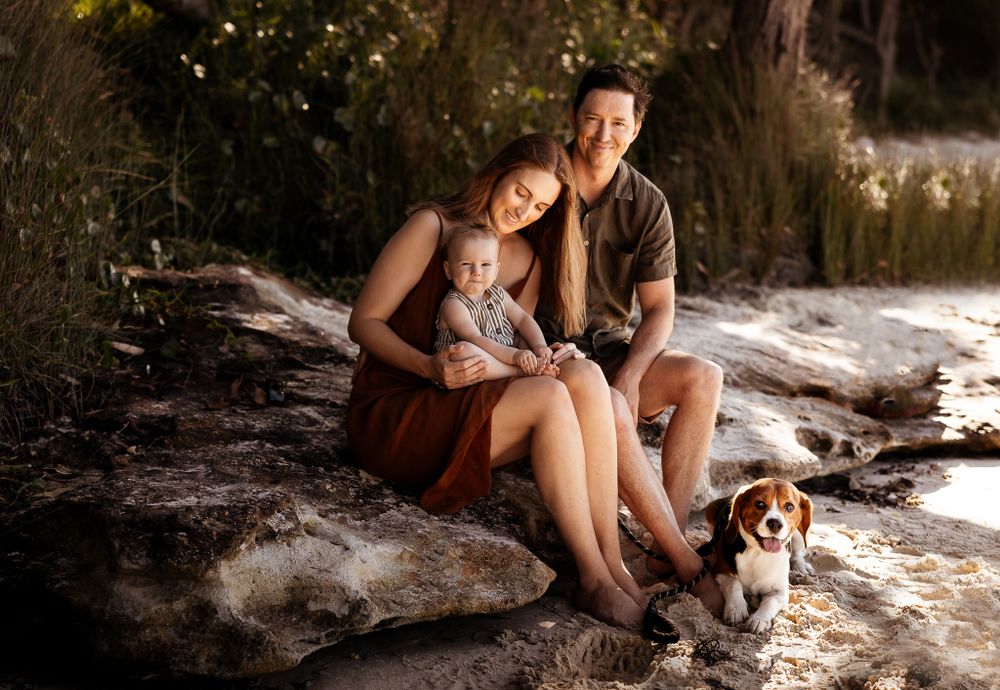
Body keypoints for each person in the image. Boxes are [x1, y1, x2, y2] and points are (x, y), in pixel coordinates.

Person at [346, 133, 648, 630]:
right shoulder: (432, 227)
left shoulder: (527, 258)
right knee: (551, 396)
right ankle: (593, 579)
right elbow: (363, 322)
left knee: (585, 374)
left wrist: (550, 356)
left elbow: (504, 353)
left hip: (467, 395)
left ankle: (615, 567)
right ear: (497, 176)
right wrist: (427, 366)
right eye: (520, 193)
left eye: (541, 206)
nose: (525, 211)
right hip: (398, 409)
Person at [537, 64, 726, 609]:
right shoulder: (544, 178)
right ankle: (687, 560)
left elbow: (660, 310)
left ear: (636, 128)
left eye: (618, 122)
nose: (603, 134)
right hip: (550, 350)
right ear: (572, 117)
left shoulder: (648, 204)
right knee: (614, 408)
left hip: (612, 348)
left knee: (703, 377)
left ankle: (660, 551)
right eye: (592, 119)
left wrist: (634, 374)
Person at [434, 224, 554, 379]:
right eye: (466, 264)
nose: (476, 272)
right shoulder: (453, 305)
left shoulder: (497, 293)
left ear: (496, 270)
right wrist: (515, 355)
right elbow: (475, 339)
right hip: (476, 362)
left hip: (505, 351)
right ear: (448, 270)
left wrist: (539, 346)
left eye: (485, 265)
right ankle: (517, 371)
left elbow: (523, 319)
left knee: (523, 336)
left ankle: (537, 363)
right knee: (463, 352)